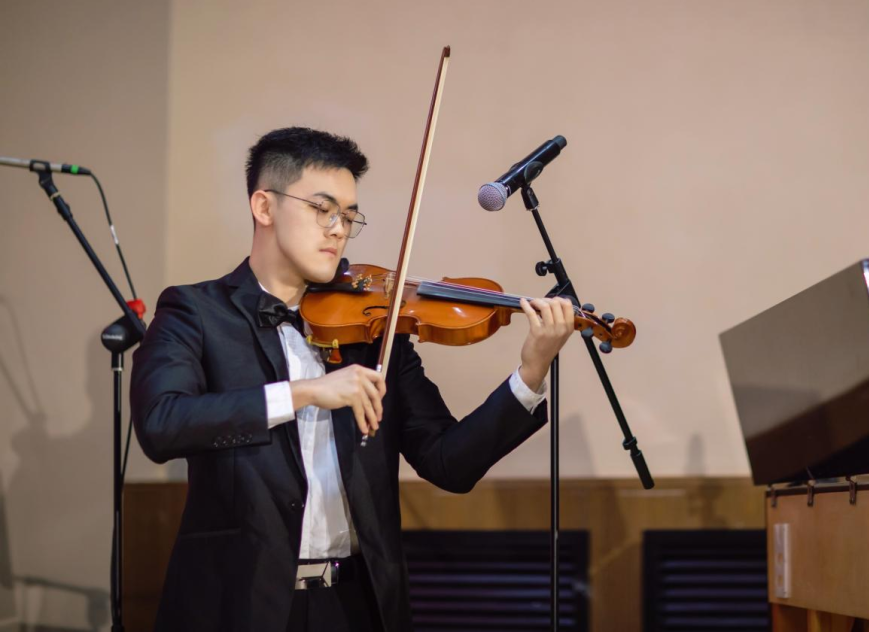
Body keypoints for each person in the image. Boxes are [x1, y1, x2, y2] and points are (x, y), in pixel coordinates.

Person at [131, 127, 576, 632]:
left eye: (348, 216)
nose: (338, 229)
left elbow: (448, 464)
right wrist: (303, 393)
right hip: (238, 606)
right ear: (264, 206)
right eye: (322, 209)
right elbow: (161, 424)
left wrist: (531, 371)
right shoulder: (195, 312)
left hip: (355, 607)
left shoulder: (377, 331)